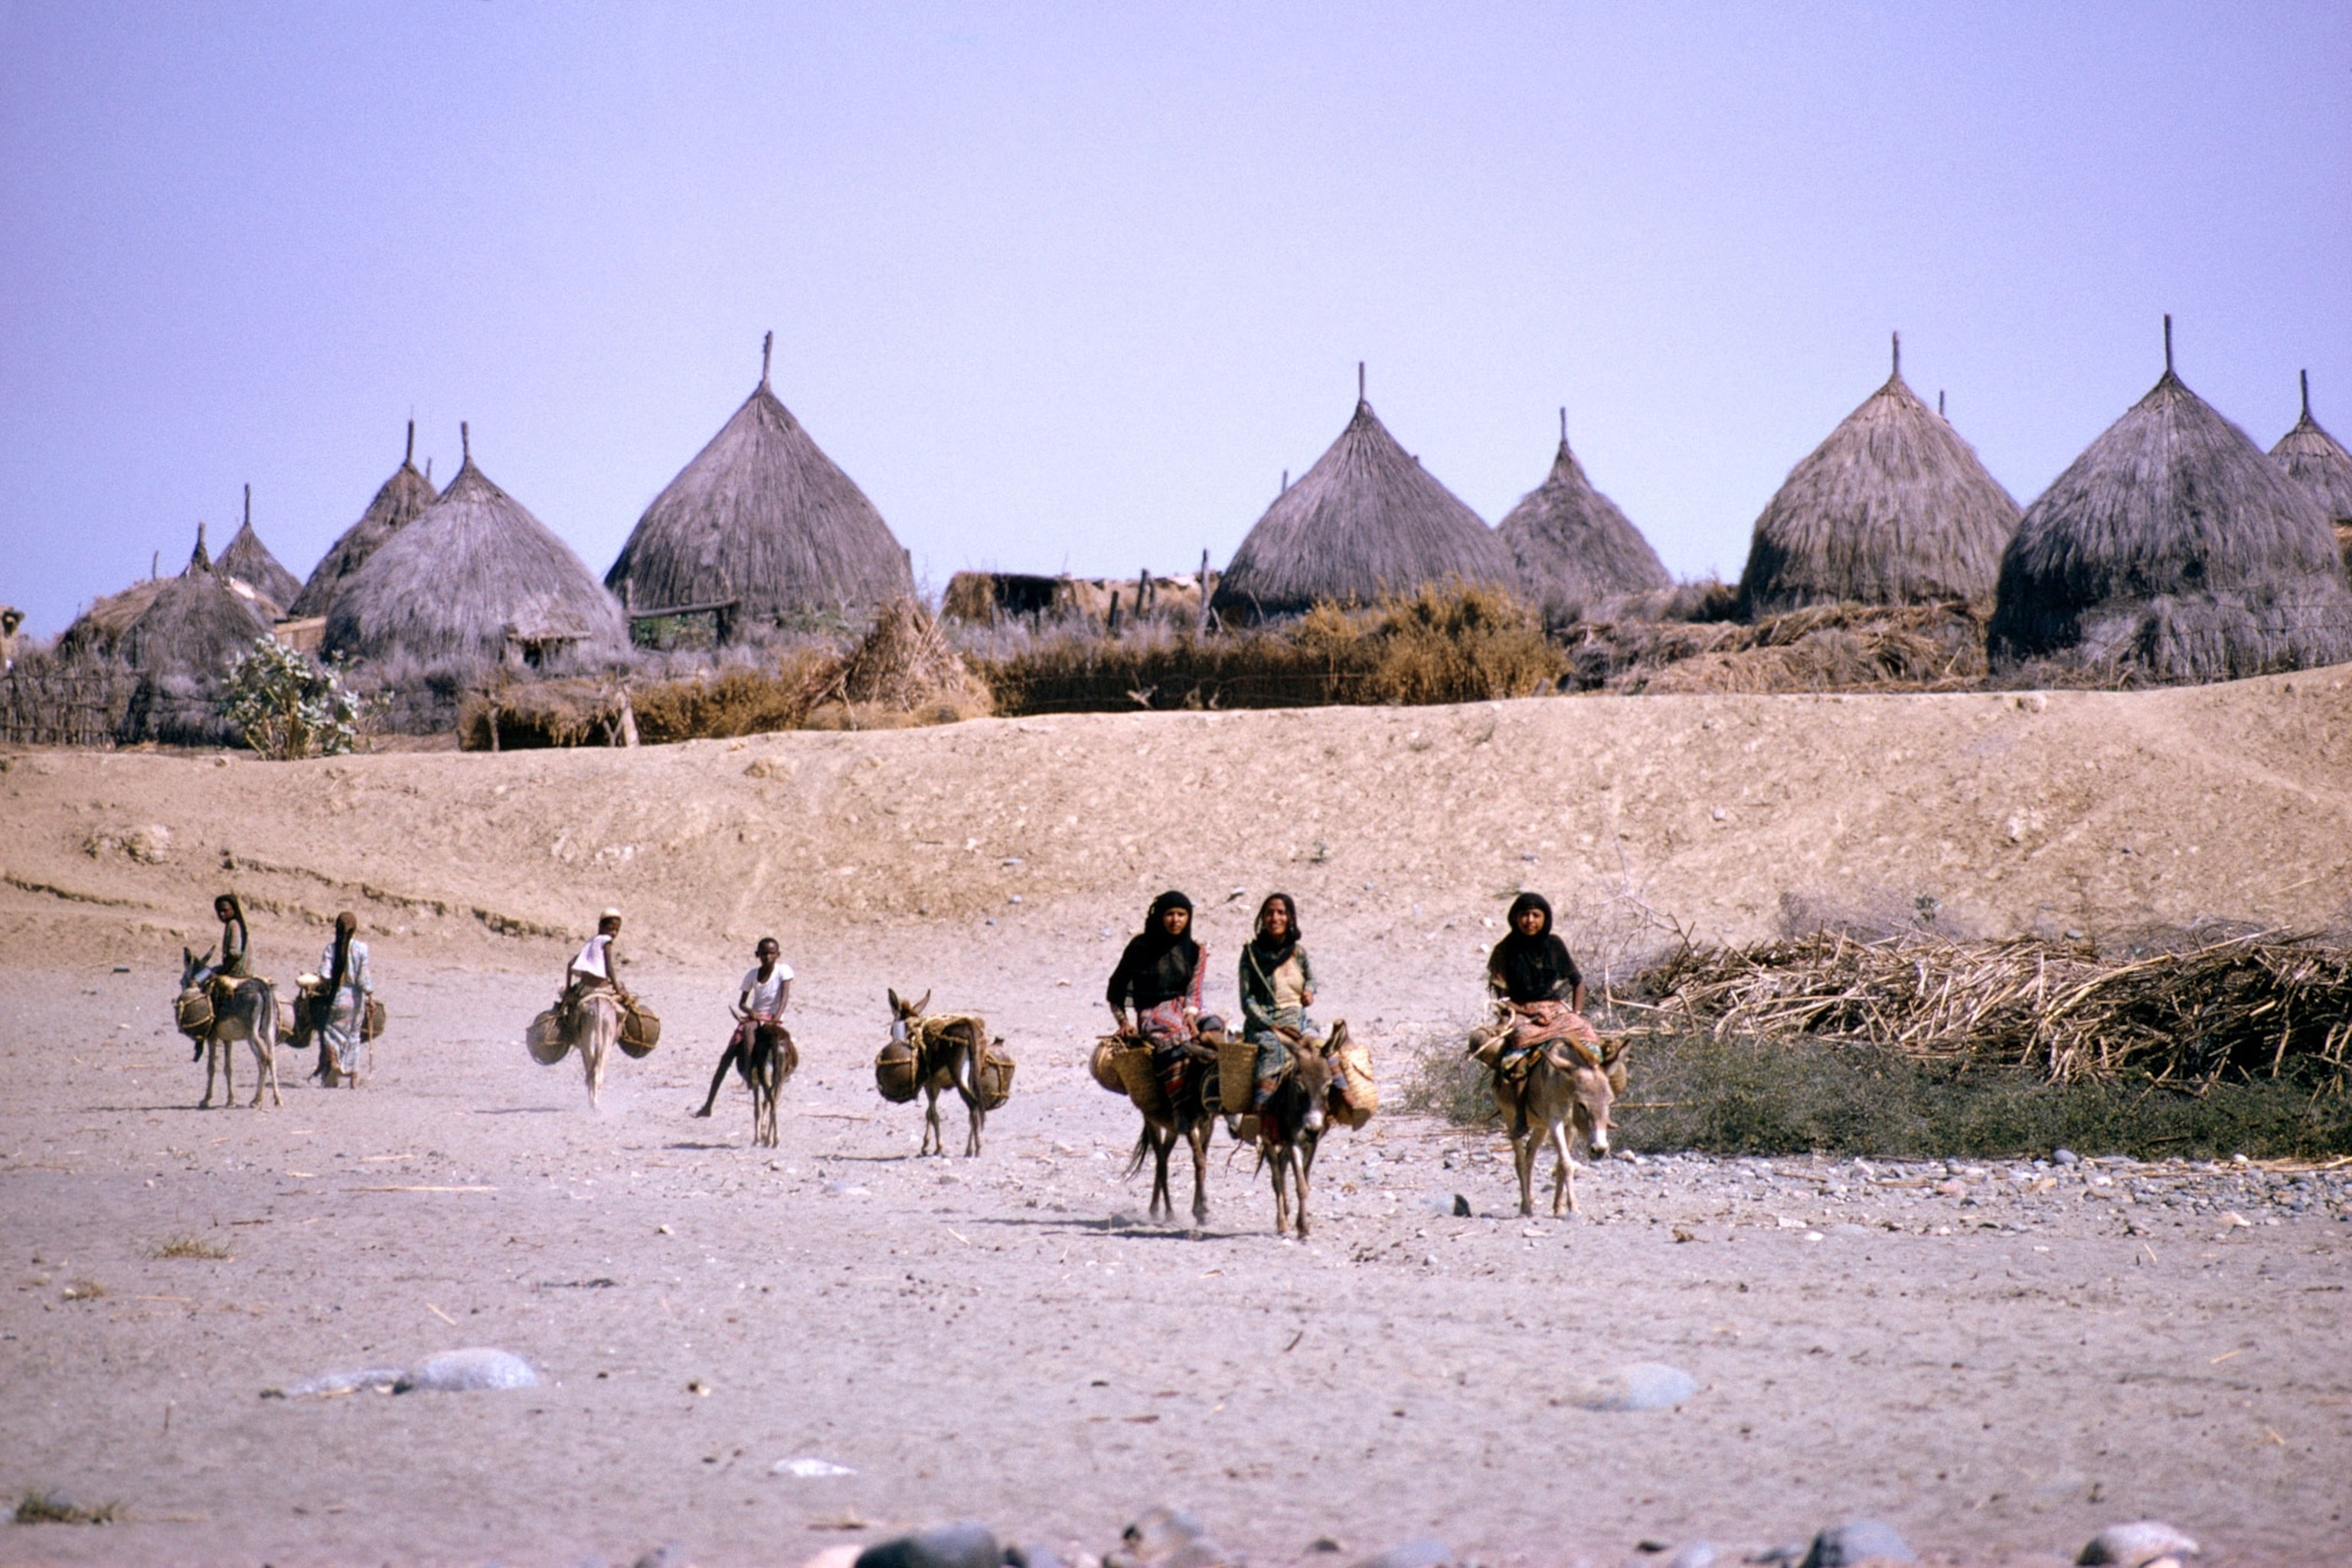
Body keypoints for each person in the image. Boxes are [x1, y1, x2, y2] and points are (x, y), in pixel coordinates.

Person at [1483, 891, 1595, 1078]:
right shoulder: (1504, 950)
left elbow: (1578, 981)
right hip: (1520, 1011)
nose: (1529, 920)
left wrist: (1576, 1013)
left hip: (1554, 1010)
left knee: (1586, 1034)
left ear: (1546, 918)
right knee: (1521, 1041)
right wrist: (1529, 1013)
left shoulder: (1554, 945)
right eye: (1524, 915)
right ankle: (1519, 1099)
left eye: (1536, 915)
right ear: (1515, 918)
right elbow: (1502, 997)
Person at [1108, 890, 1208, 1097]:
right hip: (1153, 1011)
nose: (1175, 920)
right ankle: (1179, 1103)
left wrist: (1190, 1013)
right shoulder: (1140, 948)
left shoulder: (1195, 950)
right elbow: (1116, 989)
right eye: (1169, 914)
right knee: (1179, 1038)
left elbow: (1194, 989)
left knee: (1215, 1027)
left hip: (1185, 1008)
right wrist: (1124, 1023)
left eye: (1181, 915)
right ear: (1159, 916)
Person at [695, 936, 791, 1117]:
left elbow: (784, 998)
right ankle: (711, 1103)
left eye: (772, 953)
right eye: (764, 953)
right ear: (757, 955)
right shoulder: (752, 975)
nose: (768, 957)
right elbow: (742, 1003)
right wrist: (751, 1012)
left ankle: (770, 1080)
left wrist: (776, 1019)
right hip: (756, 1016)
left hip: (773, 1018)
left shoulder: (784, 971)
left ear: (778, 955)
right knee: (728, 1055)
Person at [1238, 893, 1316, 1112]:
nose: (1275, 918)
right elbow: (1246, 1000)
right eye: (1269, 913)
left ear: (1290, 918)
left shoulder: (1298, 952)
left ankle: (1339, 1100)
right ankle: (1259, 1108)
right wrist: (1270, 1025)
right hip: (1264, 1024)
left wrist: (1309, 992)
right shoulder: (1251, 955)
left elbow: (1311, 978)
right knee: (1274, 1047)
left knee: (1319, 1048)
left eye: (1281, 913)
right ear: (1262, 918)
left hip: (1296, 1020)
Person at [190, 893, 252, 1060]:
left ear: (234, 910)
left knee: (202, 980)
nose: (221, 915)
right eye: (219, 912)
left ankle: (208, 1027)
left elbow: (234, 953)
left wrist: (220, 972)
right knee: (206, 972)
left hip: (235, 970)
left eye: (225, 911)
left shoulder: (233, 925)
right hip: (234, 966)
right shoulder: (237, 924)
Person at [314, 910, 372, 1086]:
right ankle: (353, 1077)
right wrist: (370, 995)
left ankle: (334, 1063)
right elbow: (363, 979)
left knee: (330, 1032)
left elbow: (324, 973)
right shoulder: (362, 949)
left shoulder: (331, 949)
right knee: (354, 1035)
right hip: (356, 1000)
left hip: (338, 996)